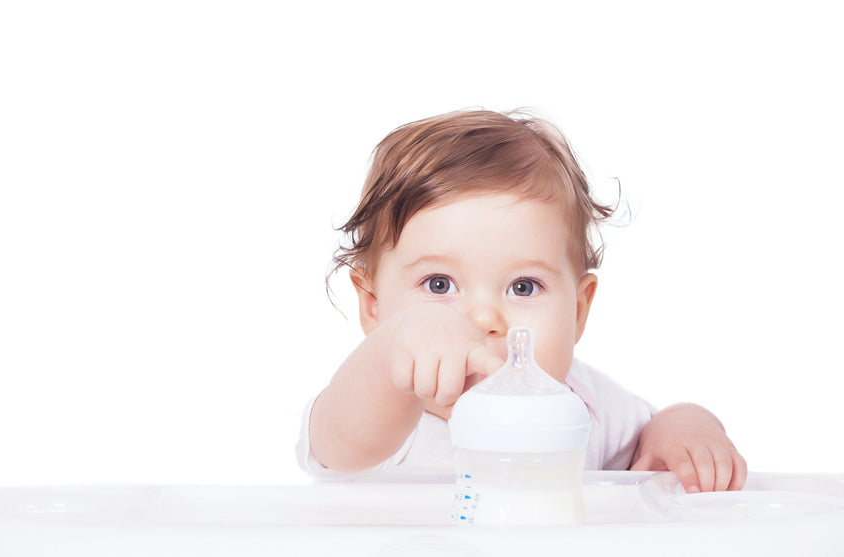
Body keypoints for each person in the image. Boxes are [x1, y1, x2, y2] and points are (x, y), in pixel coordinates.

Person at [297, 109, 747, 493]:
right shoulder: (384, 408)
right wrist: (400, 341)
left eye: (523, 287)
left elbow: (650, 432)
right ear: (374, 306)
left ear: (577, 310)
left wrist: (685, 428)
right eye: (438, 285)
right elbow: (344, 440)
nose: (484, 318)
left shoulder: (583, 402)